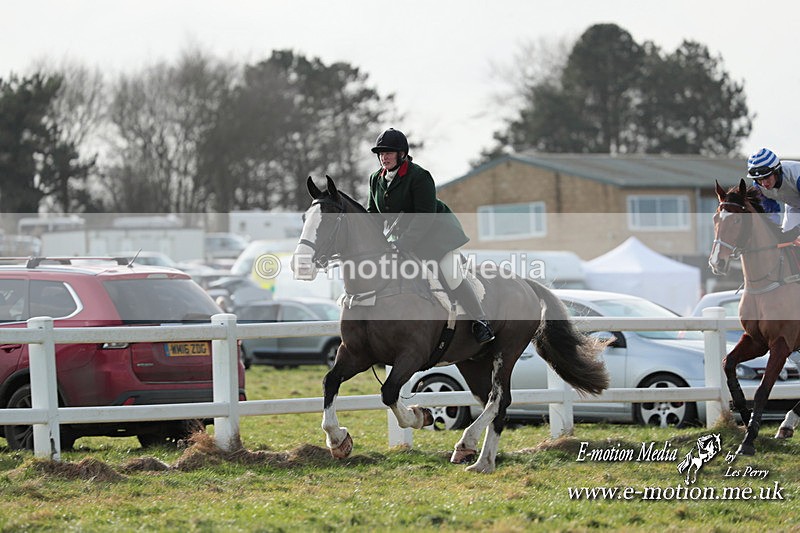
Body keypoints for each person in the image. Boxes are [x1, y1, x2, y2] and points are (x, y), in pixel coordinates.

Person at [366, 128, 495, 344]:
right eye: (381, 153)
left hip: (437, 237)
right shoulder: (375, 179)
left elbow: (424, 216)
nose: (384, 157)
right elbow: (374, 214)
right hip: (401, 239)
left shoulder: (419, 176)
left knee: (450, 275)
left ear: (402, 154)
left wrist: (403, 243)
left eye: (389, 152)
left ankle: (481, 322)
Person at [748, 148, 800, 239]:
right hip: (794, 205)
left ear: (777, 172)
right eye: (759, 179)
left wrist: (797, 230)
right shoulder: (758, 187)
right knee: (786, 239)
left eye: (767, 177)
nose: (764, 184)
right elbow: (771, 212)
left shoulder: (796, 177)